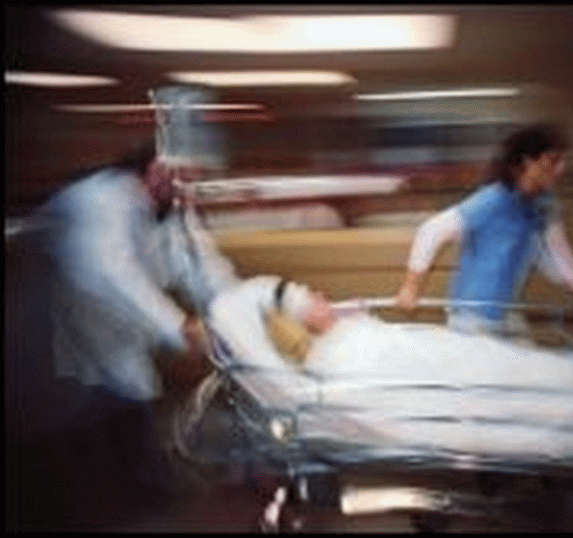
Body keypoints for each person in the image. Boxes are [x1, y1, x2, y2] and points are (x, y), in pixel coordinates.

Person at [10, 84, 332, 527]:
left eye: (198, 174)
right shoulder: (102, 199)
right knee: (61, 453)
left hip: (110, 347)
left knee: (125, 426)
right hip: (45, 336)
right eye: (186, 173)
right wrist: (180, 327)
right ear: (157, 165)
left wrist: (250, 313)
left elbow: (206, 270)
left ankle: (143, 502)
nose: (192, 184)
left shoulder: (175, 207)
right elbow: (113, 276)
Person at [396, 123, 573, 336]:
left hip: (504, 315)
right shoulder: (494, 200)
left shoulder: (543, 206)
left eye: (563, 161)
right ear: (528, 162)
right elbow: (431, 231)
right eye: (553, 161)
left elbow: (554, 254)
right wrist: (411, 287)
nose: (561, 169)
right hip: (472, 317)